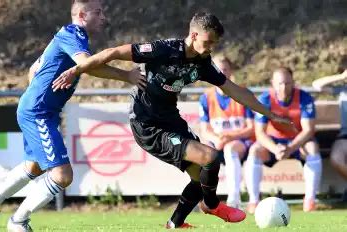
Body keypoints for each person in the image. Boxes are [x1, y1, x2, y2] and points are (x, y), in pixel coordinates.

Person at [52, 12, 291, 229]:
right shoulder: (163, 49)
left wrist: (271, 114)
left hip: (171, 120)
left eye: (214, 44)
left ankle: (174, 224)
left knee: (201, 175)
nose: (210, 49)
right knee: (210, 157)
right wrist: (77, 70)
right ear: (194, 34)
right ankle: (211, 205)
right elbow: (113, 53)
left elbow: (235, 90)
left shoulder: (202, 63)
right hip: (146, 124)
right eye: (207, 42)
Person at [0, 1, 145, 231]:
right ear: (83, 15)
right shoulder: (72, 33)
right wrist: (125, 73)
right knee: (62, 175)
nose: (104, 17)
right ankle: (18, 220)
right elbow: (87, 64)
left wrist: (38, 93)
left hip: (38, 109)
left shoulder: (67, 37)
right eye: (98, 12)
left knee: (34, 166)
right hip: (39, 112)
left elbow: (34, 69)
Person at [245, 67, 322, 213]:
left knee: (312, 148)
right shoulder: (265, 99)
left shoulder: (304, 98)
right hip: (274, 142)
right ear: (273, 83)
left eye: (287, 83)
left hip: (297, 141)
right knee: (254, 150)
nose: (284, 87)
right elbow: (260, 133)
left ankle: (310, 200)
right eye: (280, 83)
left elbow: (308, 130)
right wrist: (275, 149)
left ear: (293, 82)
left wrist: (291, 148)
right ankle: (253, 201)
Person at [198, 55, 254, 208]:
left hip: (241, 142)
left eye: (224, 69)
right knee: (200, 152)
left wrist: (229, 137)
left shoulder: (243, 93)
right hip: (218, 142)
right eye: (216, 69)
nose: (220, 73)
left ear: (230, 72)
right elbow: (205, 130)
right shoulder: (206, 97)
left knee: (230, 149)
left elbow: (250, 128)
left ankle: (234, 199)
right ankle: (204, 199)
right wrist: (216, 139)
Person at [312, 69, 347, 200]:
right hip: (345, 137)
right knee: (336, 158)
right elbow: (317, 85)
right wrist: (341, 76)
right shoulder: (343, 90)